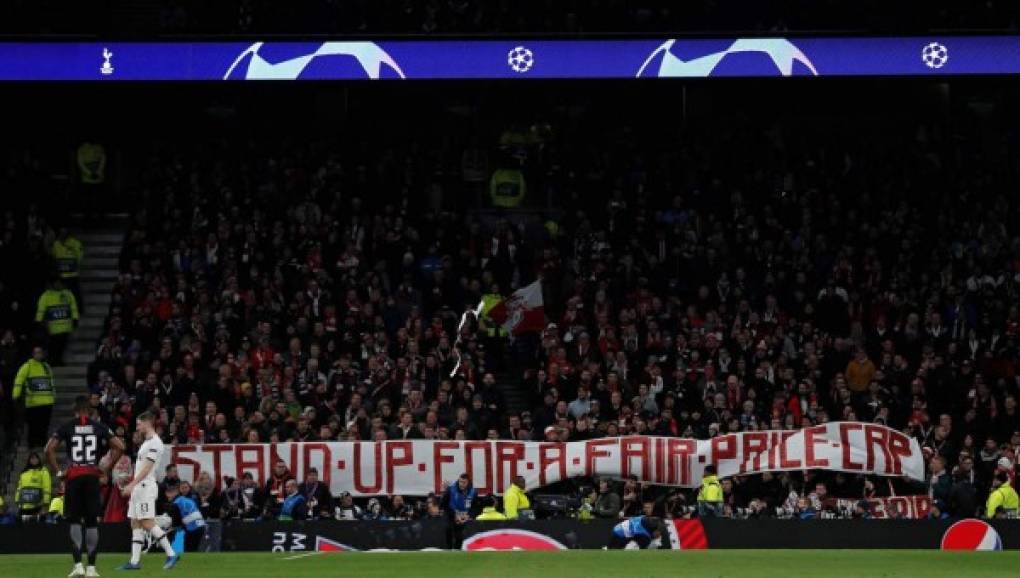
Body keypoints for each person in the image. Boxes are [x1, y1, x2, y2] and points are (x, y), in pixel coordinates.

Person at [46, 395, 124, 578]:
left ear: (75, 409)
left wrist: (59, 472)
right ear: (90, 410)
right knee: (91, 522)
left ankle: (78, 565)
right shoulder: (98, 426)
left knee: (74, 520)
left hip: (74, 476)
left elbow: (48, 449)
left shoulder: (68, 426)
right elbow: (120, 446)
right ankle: (92, 568)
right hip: (91, 475)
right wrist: (105, 470)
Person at [119, 412, 178, 570]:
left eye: (139, 424)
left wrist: (132, 484)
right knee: (135, 522)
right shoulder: (147, 442)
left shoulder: (155, 443)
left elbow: (148, 468)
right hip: (139, 487)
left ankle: (171, 554)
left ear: (147, 423)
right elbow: (141, 466)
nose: (137, 427)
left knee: (147, 522)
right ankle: (134, 561)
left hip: (145, 487)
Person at [12, 346, 56, 448]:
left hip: (47, 402)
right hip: (33, 403)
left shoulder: (46, 367)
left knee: (44, 426)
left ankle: (42, 444)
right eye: (36, 353)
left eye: (40, 352)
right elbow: (19, 381)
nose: (38, 354)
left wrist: (54, 396)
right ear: (33, 354)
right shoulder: (27, 366)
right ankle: (31, 444)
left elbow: (51, 383)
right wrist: (15, 395)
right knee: (33, 426)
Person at [35, 277, 79, 366]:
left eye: (59, 283)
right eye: (56, 283)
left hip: (65, 327)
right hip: (52, 328)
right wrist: (38, 321)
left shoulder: (68, 294)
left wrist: (75, 319)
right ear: (52, 284)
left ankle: (59, 361)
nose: (58, 285)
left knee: (62, 347)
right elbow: (41, 310)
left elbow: (73, 308)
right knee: (53, 347)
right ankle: (52, 361)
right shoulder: (46, 296)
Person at [161, 481, 206, 554]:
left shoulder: (176, 503)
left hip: (193, 528)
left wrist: (172, 527)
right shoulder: (186, 499)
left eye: (168, 495)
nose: (167, 497)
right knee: (194, 549)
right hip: (200, 525)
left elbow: (176, 521)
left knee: (188, 550)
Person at [52, 228, 83, 313]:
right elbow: (54, 257)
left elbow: (79, 257)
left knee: (75, 294)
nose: (63, 232)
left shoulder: (75, 243)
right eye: (61, 230)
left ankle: (78, 310)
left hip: (72, 274)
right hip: (61, 274)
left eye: (64, 230)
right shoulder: (56, 244)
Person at [441, 473, 476, 549]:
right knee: (448, 529)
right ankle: (448, 550)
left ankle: (458, 551)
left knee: (459, 536)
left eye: (464, 482)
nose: (461, 484)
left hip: (463, 517)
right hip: (451, 514)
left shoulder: (473, 492)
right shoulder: (451, 490)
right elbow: (443, 504)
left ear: (468, 482)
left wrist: (469, 515)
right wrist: (454, 515)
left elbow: (474, 507)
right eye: (460, 481)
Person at [15, 451, 51, 521]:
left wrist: (45, 504)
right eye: (32, 458)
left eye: (36, 458)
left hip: (38, 505)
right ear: (29, 460)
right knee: (23, 528)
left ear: (39, 460)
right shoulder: (24, 472)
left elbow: (47, 487)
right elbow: (19, 487)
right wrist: (17, 500)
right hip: (23, 505)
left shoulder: (43, 471)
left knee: (37, 528)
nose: (34, 460)